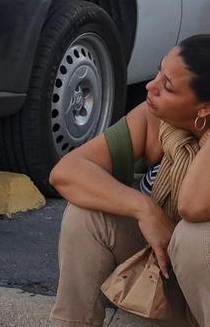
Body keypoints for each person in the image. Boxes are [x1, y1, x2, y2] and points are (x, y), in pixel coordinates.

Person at [50, 36, 210, 327]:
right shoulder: (154, 121)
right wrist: (143, 208)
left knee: (192, 238)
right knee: (86, 215)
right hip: (166, 273)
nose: (151, 86)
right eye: (160, 71)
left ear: (203, 109)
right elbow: (67, 172)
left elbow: (191, 205)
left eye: (168, 87)